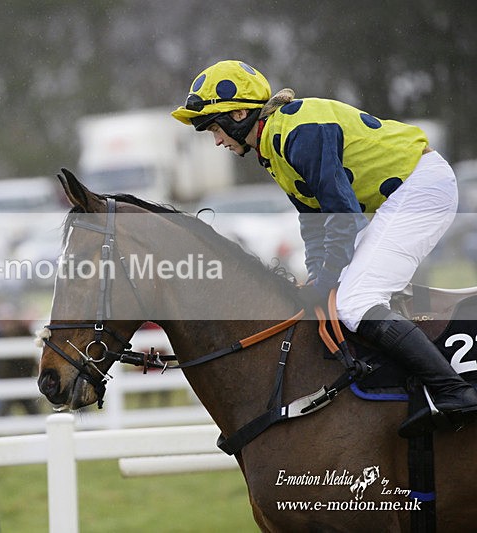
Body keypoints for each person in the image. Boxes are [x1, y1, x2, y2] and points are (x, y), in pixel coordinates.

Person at [171, 59, 477, 437]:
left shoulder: (299, 133)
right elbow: (315, 223)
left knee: (355, 301)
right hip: (400, 196)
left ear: (238, 113)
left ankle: (453, 391)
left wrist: (326, 282)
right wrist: (318, 279)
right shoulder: (273, 145)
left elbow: (344, 218)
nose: (216, 139)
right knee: (339, 293)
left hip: (420, 189)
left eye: (215, 127)